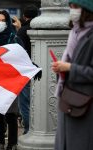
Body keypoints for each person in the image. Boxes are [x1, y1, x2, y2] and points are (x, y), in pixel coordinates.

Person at [51, 0, 93, 149]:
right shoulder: (75, 32)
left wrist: (69, 67)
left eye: (75, 7)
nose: (72, 11)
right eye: (70, 7)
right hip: (69, 99)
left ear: (87, 10)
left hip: (85, 104)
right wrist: (61, 70)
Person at [0, 10, 24, 150]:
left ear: (8, 21)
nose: (0, 23)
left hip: (11, 81)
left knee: (11, 114)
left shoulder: (14, 38)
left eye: (3, 20)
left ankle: (12, 143)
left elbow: (23, 57)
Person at [16, 5, 39, 134]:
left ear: (24, 16)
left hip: (25, 70)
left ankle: (28, 130)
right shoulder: (41, 28)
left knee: (25, 103)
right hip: (41, 69)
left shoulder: (22, 31)